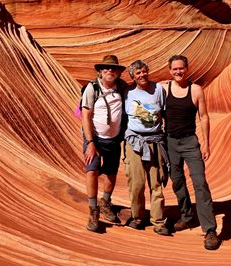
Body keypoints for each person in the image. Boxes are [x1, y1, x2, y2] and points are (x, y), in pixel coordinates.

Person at [163, 54, 221, 250]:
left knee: (200, 183)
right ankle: (187, 216)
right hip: (170, 141)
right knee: (177, 181)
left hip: (190, 141)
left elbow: (204, 117)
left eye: (181, 68)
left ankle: (210, 229)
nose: (178, 72)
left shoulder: (195, 90)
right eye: (174, 69)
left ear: (186, 69)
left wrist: (206, 144)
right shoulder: (164, 88)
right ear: (169, 70)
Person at [123, 60, 170, 236]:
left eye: (144, 72)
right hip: (134, 141)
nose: (142, 75)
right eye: (138, 73)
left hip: (155, 142)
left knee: (156, 182)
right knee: (136, 183)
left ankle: (159, 221)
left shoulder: (158, 90)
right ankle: (138, 217)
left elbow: (165, 113)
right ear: (133, 77)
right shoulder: (127, 92)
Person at [82, 55, 126, 232]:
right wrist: (91, 142)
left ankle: (106, 202)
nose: (110, 71)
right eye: (106, 68)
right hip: (95, 138)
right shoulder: (92, 88)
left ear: (118, 72)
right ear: (100, 71)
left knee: (111, 172)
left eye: (113, 68)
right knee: (91, 170)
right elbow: (85, 115)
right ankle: (93, 210)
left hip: (114, 139)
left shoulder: (122, 87)